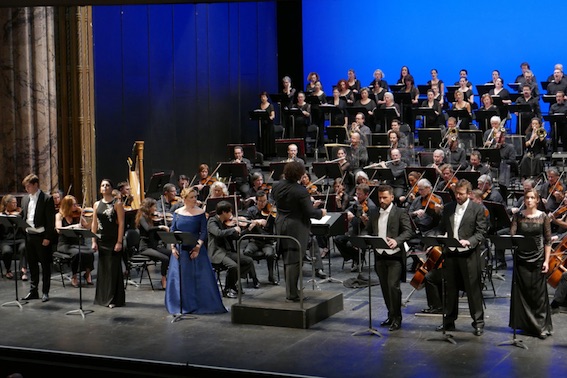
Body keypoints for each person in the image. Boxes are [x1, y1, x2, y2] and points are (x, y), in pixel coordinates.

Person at [435, 179, 488, 336]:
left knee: (473, 290)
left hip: (469, 255)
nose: (458, 196)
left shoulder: (477, 209)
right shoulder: (449, 208)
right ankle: (449, 321)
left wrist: (469, 241)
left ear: (469, 194)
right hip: (451, 254)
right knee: (450, 289)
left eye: (461, 194)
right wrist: (440, 238)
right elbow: (441, 227)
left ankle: (478, 322)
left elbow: (481, 232)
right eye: (456, 193)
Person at [165, 187, 227, 314]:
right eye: (191, 197)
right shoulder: (177, 212)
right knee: (180, 278)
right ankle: (180, 305)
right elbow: (173, 230)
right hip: (180, 249)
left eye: (195, 197)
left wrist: (198, 247)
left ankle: (198, 304)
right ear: (184, 199)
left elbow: (203, 231)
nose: (195, 199)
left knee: (199, 278)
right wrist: (172, 247)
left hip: (196, 249)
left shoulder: (200, 213)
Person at [271, 161, 326, 301]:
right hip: (295, 227)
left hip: (280, 223)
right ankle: (292, 294)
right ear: (299, 174)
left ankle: (291, 290)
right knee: (295, 260)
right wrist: (321, 212)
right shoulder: (300, 190)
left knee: (287, 258)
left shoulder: (276, 186)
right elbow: (309, 212)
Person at [365, 184, 413, 331]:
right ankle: (391, 315)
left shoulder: (400, 212)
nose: (382, 200)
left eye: (385, 197)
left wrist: (396, 241)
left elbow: (408, 232)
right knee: (385, 288)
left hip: (395, 256)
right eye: (380, 197)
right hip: (379, 255)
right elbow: (369, 231)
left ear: (392, 197)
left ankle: (397, 318)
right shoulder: (374, 213)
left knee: (393, 287)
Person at [509, 188, 553, 339]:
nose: (529, 200)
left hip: (538, 258)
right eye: (527, 198)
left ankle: (541, 327)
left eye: (532, 198)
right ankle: (525, 325)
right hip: (521, 258)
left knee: (538, 295)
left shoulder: (543, 217)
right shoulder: (518, 216)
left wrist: (547, 261)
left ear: (537, 200)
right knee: (522, 293)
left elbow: (548, 241)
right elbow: (512, 236)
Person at [207, 200, 259, 298]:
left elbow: (236, 237)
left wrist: (248, 229)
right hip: (217, 252)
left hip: (227, 252)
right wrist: (233, 229)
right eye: (230, 212)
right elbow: (218, 233)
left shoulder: (225, 223)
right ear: (223, 212)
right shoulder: (212, 221)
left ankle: (232, 284)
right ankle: (227, 289)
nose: (231, 215)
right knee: (233, 266)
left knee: (248, 261)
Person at [20, 174, 56, 303]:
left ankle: (45, 291)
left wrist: (48, 237)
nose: (27, 189)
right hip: (29, 236)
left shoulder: (47, 199)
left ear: (36, 185)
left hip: (41, 236)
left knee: (45, 265)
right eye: (26, 187)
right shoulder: (25, 199)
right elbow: (24, 215)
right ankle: (33, 290)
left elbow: (50, 221)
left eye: (28, 186)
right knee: (32, 264)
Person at [91, 179, 126, 308]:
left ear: (111, 189)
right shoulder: (96, 204)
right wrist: (93, 240)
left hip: (113, 240)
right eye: (102, 185)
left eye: (107, 185)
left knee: (113, 270)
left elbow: (121, 224)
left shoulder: (117, 204)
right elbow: (94, 223)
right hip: (102, 240)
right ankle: (102, 297)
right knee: (103, 270)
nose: (105, 187)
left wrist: (119, 241)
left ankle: (113, 299)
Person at [333, 183, 376, 272]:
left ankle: (358, 258)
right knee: (338, 239)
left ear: (366, 195)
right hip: (355, 228)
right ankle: (357, 257)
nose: (357, 196)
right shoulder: (358, 202)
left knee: (351, 243)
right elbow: (348, 210)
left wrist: (363, 219)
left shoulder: (371, 207)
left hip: (365, 231)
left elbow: (371, 226)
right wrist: (348, 213)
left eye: (359, 194)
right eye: (357, 194)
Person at [55, 195, 95, 288]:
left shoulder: (78, 215)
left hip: (78, 243)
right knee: (77, 253)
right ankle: (74, 276)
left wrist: (93, 220)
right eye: (74, 205)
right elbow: (59, 229)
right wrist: (73, 227)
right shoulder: (59, 216)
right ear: (67, 205)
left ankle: (87, 274)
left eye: (76, 204)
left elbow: (87, 227)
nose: (76, 206)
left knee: (90, 252)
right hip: (65, 244)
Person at [135, 197, 172, 289]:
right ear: (148, 207)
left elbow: (155, 233)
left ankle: (170, 277)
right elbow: (148, 229)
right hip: (145, 248)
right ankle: (163, 279)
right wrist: (160, 227)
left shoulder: (151, 217)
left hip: (153, 246)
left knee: (171, 254)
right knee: (165, 259)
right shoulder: (142, 218)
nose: (155, 209)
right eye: (153, 206)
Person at [243, 190, 278, 285]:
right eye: (261, 201)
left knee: (270, 254)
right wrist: (256, 221)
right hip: (255, 240)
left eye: (265, 200)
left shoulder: (271, 211)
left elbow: (277, 221)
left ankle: (271, 276)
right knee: (246, 253)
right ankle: (254, 278)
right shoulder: (251, 211)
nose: (263, 203)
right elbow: (246, 225)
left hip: (267, 241)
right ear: (256, 201)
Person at [0, 194, 26, 281]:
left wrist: (21, 219)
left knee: (24, 247)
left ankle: (23, 270)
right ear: (7, 204)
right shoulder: (2, 215)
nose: (15, 205)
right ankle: (8, 270)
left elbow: (24, 228)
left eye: (16, 203)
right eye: (13, 203)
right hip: (6, 240)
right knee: (6, 251)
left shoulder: (19, 214)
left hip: (19, 239)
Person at [257, 91, 276, 157]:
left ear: (267, 98)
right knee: (262, 138)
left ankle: (270, 154)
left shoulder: (270, 106)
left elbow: (273, 115)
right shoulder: (259, 105)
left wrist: (270, 117)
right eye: (262, 97)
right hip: (262, 124)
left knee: (269, 139)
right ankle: (262, 153)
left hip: (269, 125)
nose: (263, 98)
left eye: (264, 97)